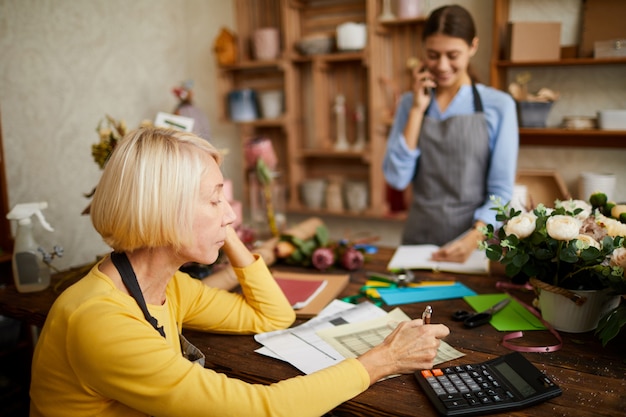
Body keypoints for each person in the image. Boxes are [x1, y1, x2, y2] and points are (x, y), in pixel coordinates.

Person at [30, 127, 450, 417]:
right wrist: (384, 359)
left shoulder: (164, 286)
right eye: (215, 200)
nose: (230, 214)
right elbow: (257, 410)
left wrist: (223, 231)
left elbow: (273, 317)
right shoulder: (101, 321)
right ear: (163, 211)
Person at [383, 4, 519, 263]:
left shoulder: (500, 106)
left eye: (452, 55)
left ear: (473, 47)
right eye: (433, 55)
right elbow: (397, 179)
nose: (442, 66)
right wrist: (416, 111)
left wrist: (474, 238)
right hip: (418, 243)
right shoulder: (410, 104)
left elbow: (501, 190)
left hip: (475, 246)